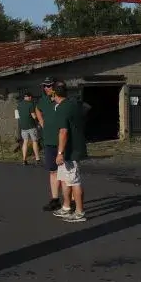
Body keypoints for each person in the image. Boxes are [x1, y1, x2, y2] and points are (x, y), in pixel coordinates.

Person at [51, 80, 88, 222]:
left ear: (54, 93)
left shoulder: (62, 108)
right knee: (66, 180)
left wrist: (60, 153)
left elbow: (63, 132)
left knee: (74, 181)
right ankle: (66, 207)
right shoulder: (73, 104)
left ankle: (79, 212)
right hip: (70, 149)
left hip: (70, 151)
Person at [38, 77, 62, 211]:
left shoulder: (61, 98)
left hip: (61, 140)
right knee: (53, 171)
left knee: (65, 172)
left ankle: (71, 200)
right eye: (45, 86)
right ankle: (55, 199)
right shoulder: (43, 100)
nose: (46, 88)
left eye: (49, 86)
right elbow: (37, 109)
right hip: (49, 141)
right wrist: (42, 122)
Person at [16, 89, 41, 165]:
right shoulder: (30, 104)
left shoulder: (19, 104)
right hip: (31, 126)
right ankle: (37, 159)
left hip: (23, 127)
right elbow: (33, 116)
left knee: (25, 142)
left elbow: (18, 116)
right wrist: (39, 122)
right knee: (34, 141)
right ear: (29, 97)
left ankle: (24, 160)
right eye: (31, 97)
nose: (31, 98)